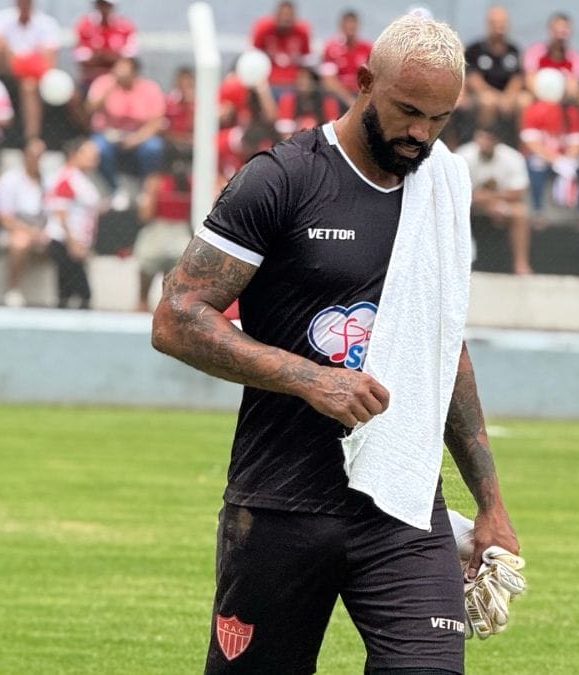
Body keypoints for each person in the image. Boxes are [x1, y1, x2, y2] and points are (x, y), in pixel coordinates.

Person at [150, 14, 518, 673]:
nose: (421, 135)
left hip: (403, 502)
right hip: (281, 500)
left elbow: (444, 348)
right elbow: (176, 316)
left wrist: (489, 500)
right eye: (407, 111)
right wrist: (308, 376)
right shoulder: (282, 180)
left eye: (439, 119)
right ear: (364, 81)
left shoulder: (440, 189)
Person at [86, 57, 167, 198]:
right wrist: (109, 90)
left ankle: (145, 190)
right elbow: (90, 109)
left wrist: (136, 138)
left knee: (153, 148)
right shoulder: (104, 83)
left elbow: (156, 121)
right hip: (108, 133)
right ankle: (114, 189)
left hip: (138, 135)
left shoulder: (149, 88)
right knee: (98, 148)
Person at [459, 127, 532, 275]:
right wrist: (488, 202)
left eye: (487, 139)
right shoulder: (463, 155)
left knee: (520, 213)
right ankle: (460, 264)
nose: (482, 143)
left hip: (499, 204)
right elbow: (457, 192)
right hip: (468, 204)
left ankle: (521, 264)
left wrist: (490, 200)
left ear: (496, 142)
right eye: (480, 138)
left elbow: (518, 192)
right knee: (455, 213)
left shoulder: (512, 157)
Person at [0, 0, 61, 140]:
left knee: (29, 85)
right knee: (27, 83)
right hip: (6, 72)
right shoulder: (1, 18)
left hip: (36, 75)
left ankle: (32, 139)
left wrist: (25, 63)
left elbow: (49, 59)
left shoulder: (47, 23)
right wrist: (18, 60)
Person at [45, 138, 102, 309]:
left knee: (68, 293)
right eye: (89, 154)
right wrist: (72, 241)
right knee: (81, 293)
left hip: (77, 242)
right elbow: (60, 211)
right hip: (66, 242)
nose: (95, 158)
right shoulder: (67, 177)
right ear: (74, 154)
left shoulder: (81, 179)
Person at [0, 137, 49, 308]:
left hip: (44, 227)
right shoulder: (9, 180)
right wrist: (31, 231)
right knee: (19, 242)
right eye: (33, 155)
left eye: (41, 155)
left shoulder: (49, 181)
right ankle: (14, 289)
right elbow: (5, 217)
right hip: (18, 226)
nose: (37, 159)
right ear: (25, 155)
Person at [135, 151, 192, 312]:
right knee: (151, 269)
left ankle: (159, 309)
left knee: (170, 278)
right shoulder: (159, 181)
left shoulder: (189, 182)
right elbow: (145, 214)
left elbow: (144, 215)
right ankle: (145, 305)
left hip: (174, 230)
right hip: (166, 230)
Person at [518, 92, 579, 211]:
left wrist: (567, 161)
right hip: (544, 156)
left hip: (566, 157)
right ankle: (537, 211)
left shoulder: (571, 112)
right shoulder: (535, 110)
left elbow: (577, 141)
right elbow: (532, 144)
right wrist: (556, 160)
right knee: (536, 164)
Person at [463, 6, 526, 132]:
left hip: (507, 95)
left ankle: (520, 144)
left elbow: (517, 78)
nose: (500, 26)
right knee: (488, 101)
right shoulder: (475, 49)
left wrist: (508, 96)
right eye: (496, 23)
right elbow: (473, 79)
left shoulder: (513, 49)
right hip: (482, 95)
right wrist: (496, 97)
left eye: (503, 22)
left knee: (524, 100)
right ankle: (486, 139)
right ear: (488, 24)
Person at [250, 1, 311, 97]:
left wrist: (303, 78)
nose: (285, 18)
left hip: (294, 82)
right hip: (268, 81)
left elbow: (306, 59)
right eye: (282, 14)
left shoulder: (302, 32)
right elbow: (253, 56)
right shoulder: (263, 29)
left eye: (288, 15)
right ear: (275, 15)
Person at [73, 0, 138, 88]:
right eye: (100, 4)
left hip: (117, 83)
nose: (103, 9)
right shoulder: (84, 25)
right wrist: (111, 57)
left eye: (106, 5)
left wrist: (99, 56)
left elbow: (129, 60)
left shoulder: (126, 27)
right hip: (90, 80)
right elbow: (82, 59)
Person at [318, 10, 373, 111]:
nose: (350, 27)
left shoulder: (367, 48)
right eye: (347, 24)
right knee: (329, 99)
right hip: (339, 95)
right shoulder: (331, 48)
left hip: (361, 94)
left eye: (353, 24)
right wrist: (349, 100)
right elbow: (328, 81)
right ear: (341, 26)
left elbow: (373, 78)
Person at [522, 12, 579, 101]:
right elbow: (530, 80)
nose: (560, 36)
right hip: (538, 98)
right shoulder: (534, 51)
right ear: (550, 30)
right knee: (523, 99)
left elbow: (573, 87)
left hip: (563, 100)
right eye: (557, 30)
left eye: (564, 31)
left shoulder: (576, 58)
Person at [274, 67, 341, 138]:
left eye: (307, 79)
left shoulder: (327, 100)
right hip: (294, 141)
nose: (303, 82)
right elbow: (285, 132)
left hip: (320, 141)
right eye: (300, 78)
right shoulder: (288, 99)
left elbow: (333, 130)